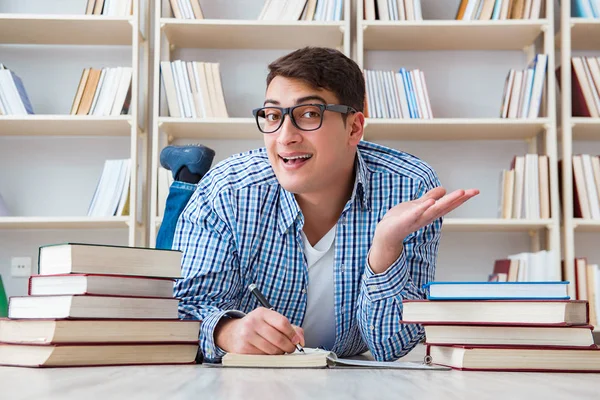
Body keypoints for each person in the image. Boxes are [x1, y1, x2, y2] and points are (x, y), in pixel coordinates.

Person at [159, 46, 479, 363]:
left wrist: (386, 248)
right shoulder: (226, 190)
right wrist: (227, 332)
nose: (285, 137)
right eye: (272, 115)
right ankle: (186, 177)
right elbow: (181, 311)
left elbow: (391, 347)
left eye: (309, 114)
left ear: (353, 128)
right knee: (162, 260)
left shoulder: (410, 189)